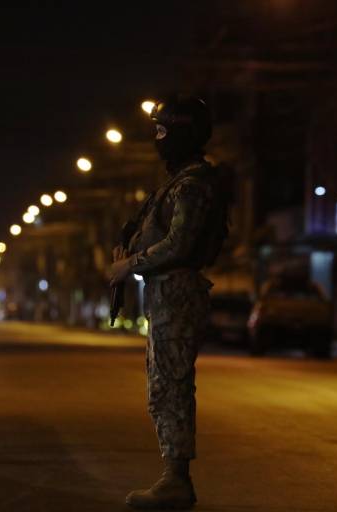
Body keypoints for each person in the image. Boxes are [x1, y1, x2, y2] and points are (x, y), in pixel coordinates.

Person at [109, 94, 232, 510]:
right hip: (165, 291)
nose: (157, 140)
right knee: (162, 384)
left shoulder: (193, 184)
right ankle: (172, 475)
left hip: (177, 290)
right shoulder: (182, 180)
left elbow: (180, 242)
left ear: (181, 133)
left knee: (172, 385)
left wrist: (133, 264)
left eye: (163, 131)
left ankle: (176, 479)